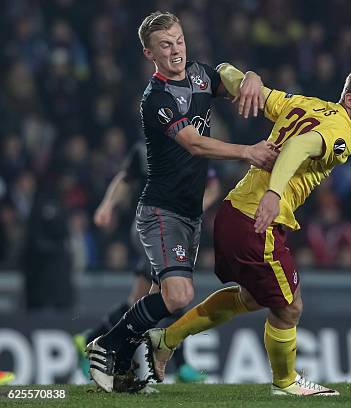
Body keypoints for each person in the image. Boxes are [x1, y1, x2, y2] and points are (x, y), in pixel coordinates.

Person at [144, 65, 351, 396]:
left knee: (250, 298)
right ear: (350, 99)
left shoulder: (306, 104)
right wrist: (274, 193)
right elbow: (297, 149)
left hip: (235, 212)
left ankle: (166, 339)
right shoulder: (342, 132)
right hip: (256, 220)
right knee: (289, 306)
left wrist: (238, 74)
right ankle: (285, 382)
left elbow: (244, 88)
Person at [86, 11, 277, 393]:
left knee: (159, 297)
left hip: (189, 214)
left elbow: (232, 82)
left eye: (179, 41)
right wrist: (247, 152)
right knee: (179, 296)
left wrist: (252, 76)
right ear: (148, 54)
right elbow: (193, 141)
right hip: (161, 211)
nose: (175, 51)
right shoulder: (155, 98)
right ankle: (105, 345)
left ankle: (122, 367)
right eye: (165, 45)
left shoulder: (200, 75)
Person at [74, 141, 219, 383]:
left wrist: (194, 207)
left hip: (175, 228)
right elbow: (124, 180)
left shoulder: (194, 145)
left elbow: (213, 187)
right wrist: (107, 205)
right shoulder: (143, 149)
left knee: (140, 299)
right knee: (173, 291)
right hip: (151, 227)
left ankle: (92, 337)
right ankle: (182, 365)